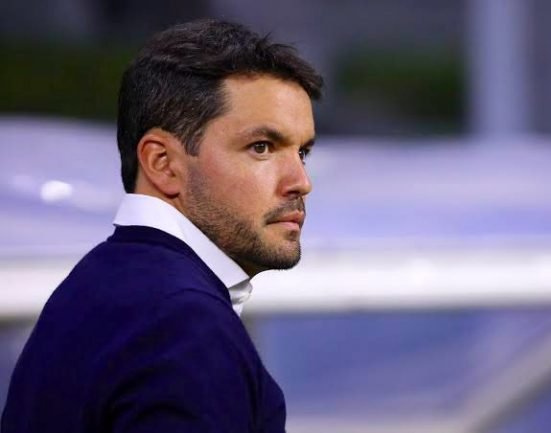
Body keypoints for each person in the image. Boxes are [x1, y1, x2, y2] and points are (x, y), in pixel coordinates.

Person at [1, 18, 323, 433]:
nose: (301, 181)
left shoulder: (101, 284)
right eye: (261, 147)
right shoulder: (182, 324)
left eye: (303, 152)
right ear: (162, 163)